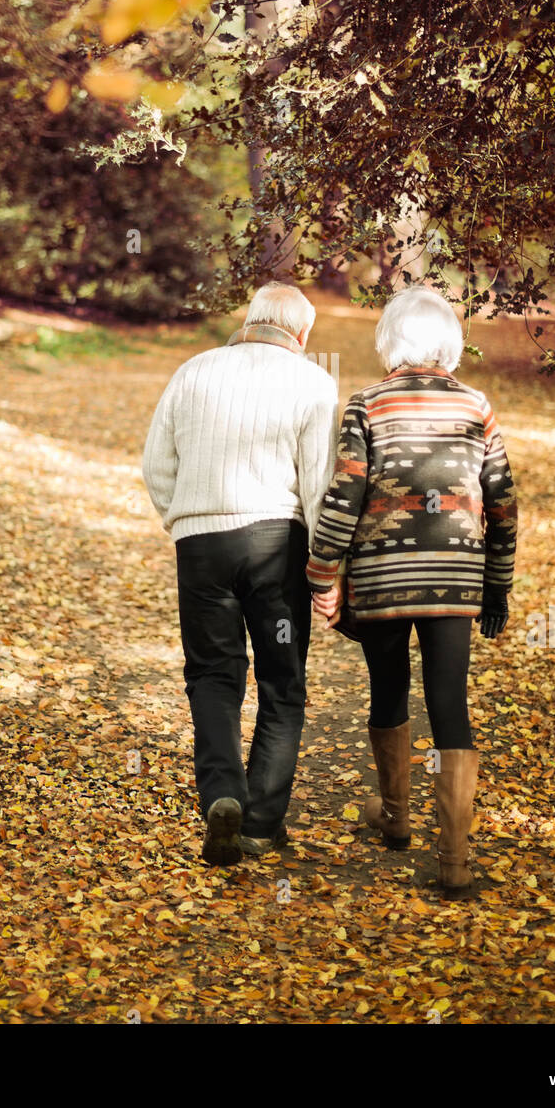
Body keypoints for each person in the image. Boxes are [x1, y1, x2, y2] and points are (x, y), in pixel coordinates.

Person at [306, 285, 517, 898]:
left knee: (389, 685)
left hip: (382, 578)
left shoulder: (367, 405)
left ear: (390, 342)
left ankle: (397, 820)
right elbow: (502, 502)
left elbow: (343, 496)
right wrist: (496, 586)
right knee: (449, 700)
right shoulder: (477, 406)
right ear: (447, 343)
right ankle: (453, 860)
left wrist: (322, 574)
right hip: (455, 580)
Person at [143, 284, 339, 865]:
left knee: (212, 675)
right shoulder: (313, 383)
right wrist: (327, 567)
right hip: (274, 548)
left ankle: (222, 793)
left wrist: (183, 522)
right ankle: (258, 825)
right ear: (301, 335)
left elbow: (157, 464)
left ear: (249, 320)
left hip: (201, 547)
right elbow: (321, 484)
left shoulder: (194, 371)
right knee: (282, 682)